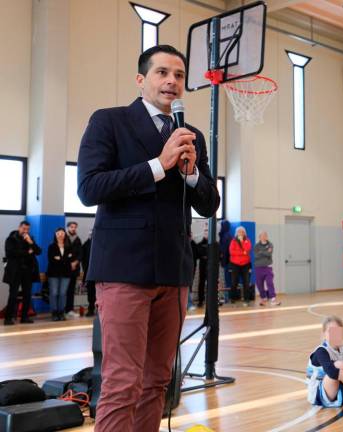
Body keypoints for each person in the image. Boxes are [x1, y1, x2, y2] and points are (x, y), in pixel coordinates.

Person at [77, 44, 219, 431]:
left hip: (173, 271)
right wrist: (159, 165)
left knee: (158, 380)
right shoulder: (109, 121)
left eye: (179, 75)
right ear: (141, 80)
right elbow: (89, 188)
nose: (172, 81)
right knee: (123, 382)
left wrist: (191, 174)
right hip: (124, 269)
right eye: (162, 73)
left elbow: (209, 204)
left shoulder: (192, 136)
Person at [3, 221, 41, 325]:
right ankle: (8, 318)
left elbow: (38, 251)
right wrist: (27, 253)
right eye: (24, 229)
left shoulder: (29, 239)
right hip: (15, 271)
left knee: (27, 294)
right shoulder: (11, 239)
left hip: (27, 271)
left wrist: (31, 242)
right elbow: (10, 253)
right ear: (19, 227)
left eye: (28, 229)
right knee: (13, 294)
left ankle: (24, 317)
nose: (25, 231)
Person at [46, 228, 75, 322]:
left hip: (66, 273)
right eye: (58, 233)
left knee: (63, 293)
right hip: (53, 273)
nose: (60, 235)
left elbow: (72, 258)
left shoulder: (69, 247)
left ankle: (61, 312)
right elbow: (51, 260)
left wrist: (60, 259)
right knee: (54, 293)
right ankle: (54, 312)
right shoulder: (51, 246)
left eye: (62, 233)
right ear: (55, 235)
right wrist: (65, 259)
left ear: (65, 235)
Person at [253, 231, 280, 306]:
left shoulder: (270, 244)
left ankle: (273, 299)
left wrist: (261, 252)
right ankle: (263, 298)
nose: (264, 237)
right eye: (262, 235)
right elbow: (256, 256)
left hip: (268, 267)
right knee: (259, 284)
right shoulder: (256, 246)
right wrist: (265, 252)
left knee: (269, 282)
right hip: (258, 267)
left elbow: (269, 254)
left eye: (265, 235)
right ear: (259, 237)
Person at [229, 226, 252, 305]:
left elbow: (247, 250)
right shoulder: (233, 241)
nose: (241, 233)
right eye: (239, 232)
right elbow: (232, 252)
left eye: (242, 232)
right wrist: (242, 253)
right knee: (234, 282)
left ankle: (247, 298)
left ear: (244, 233)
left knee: (246, 282)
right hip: (235, 264)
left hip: (246, 264)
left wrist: (242, 243)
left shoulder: (247, 241)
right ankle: (233, 298)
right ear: (237, 233)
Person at [64, 221, 82, 318]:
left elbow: (80, 254)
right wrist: (69, 263)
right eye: (71, 227)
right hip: (64, 269)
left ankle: (69, 310)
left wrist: (75, 262)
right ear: (67, 228)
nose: (73, 229)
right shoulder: (63, 237)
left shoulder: (78, 239)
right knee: (63, 291)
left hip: (74, 269)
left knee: (71, 290)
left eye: (75, 227)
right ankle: (61, 310)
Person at [81, 230, 96, 317]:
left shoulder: (101, 243)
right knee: (90, 292)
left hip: (99, 273)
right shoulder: (86, 245)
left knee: (99, 292)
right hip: (89, 272)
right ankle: (91, 309)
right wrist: (85, 270)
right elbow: (83, 260)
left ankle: (99, 309)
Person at [194, 228, 209, 308]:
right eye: (205, 233)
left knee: (212, 283)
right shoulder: (200, 244)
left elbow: (218, 254)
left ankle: (212, 300)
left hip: (211, 265)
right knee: (202, 283)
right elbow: (198, 254)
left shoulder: (214, 244)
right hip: (203, 264)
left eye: (208, 233)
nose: (206, 234)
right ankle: (201, 300)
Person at [219, 220, 233, 298]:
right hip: (229, 262)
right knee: (228, 280)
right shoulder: (229, 236)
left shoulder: (225, 236)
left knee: (227, 280)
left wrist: (222, 261)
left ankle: (228, 297)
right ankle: (229, 297)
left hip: (226, 262)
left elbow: (224, 251)